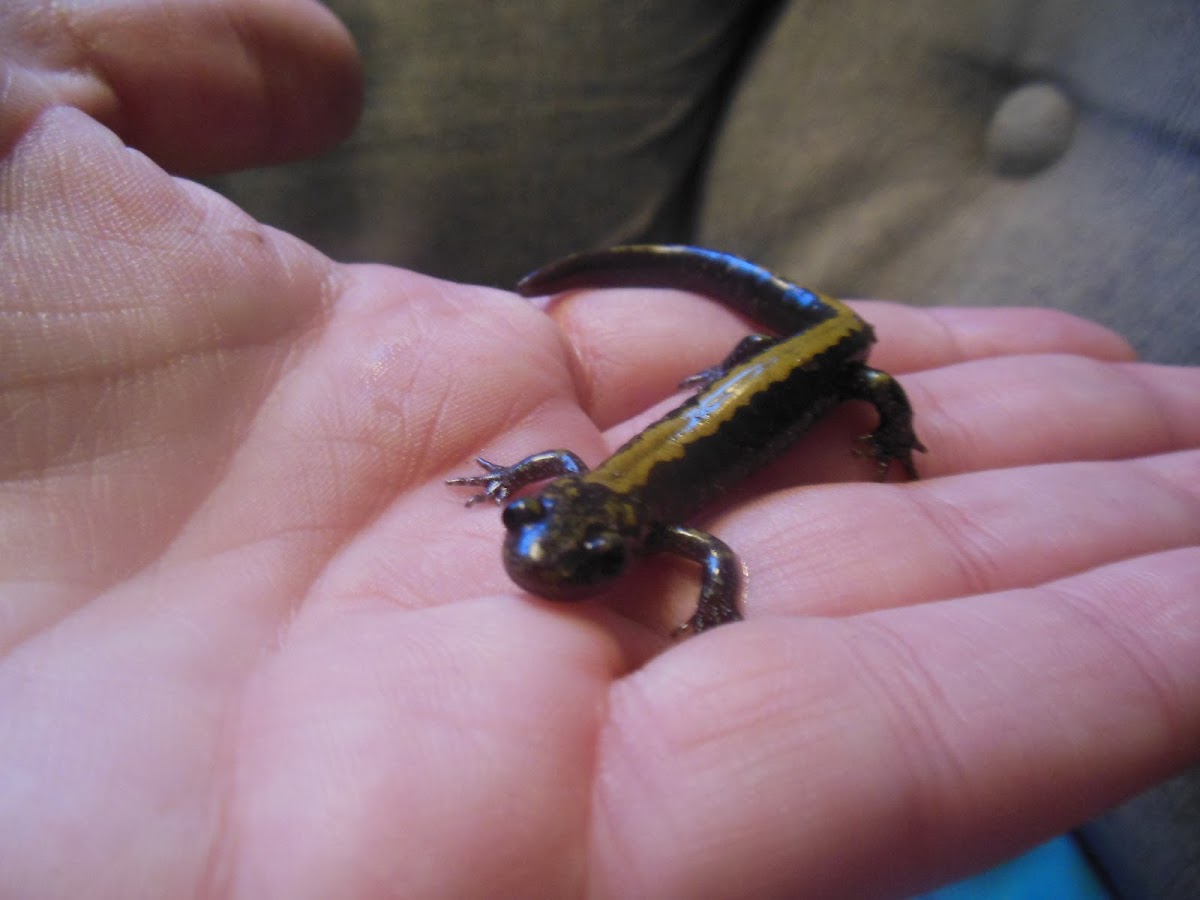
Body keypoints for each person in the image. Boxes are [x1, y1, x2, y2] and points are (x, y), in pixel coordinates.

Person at [1, 1, 1197, 897]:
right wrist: (512, 482)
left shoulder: (661, 521)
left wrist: (884, 430)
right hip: (766, 360)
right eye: (542, 539)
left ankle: (807, 382)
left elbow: (722, 559)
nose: (542, 557)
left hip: (823, 354)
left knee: (852, 373)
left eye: (566, 554)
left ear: (621, 536)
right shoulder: (605, 501)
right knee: (745, 320)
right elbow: (566, 483)